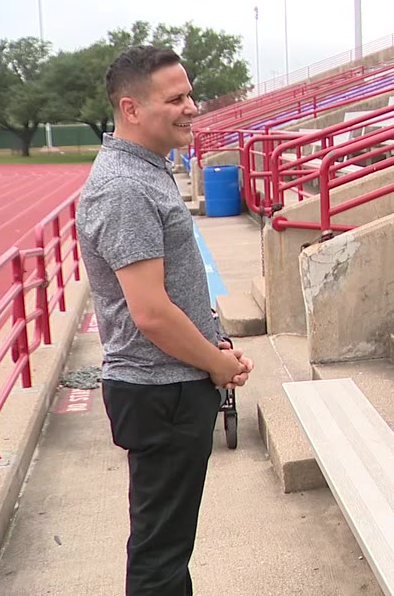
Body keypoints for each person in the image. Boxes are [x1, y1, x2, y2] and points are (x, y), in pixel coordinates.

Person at [77, 45, 254, 595]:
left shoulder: (144, 171)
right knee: (161, 557)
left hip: (171, 383)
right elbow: (151, 312)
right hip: (161, 390)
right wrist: (216, 365)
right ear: (131, 109)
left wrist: (213, 344)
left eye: (190, 95)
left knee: (168, 549)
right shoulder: (124, 187)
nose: (192, 107)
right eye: (175, 99)